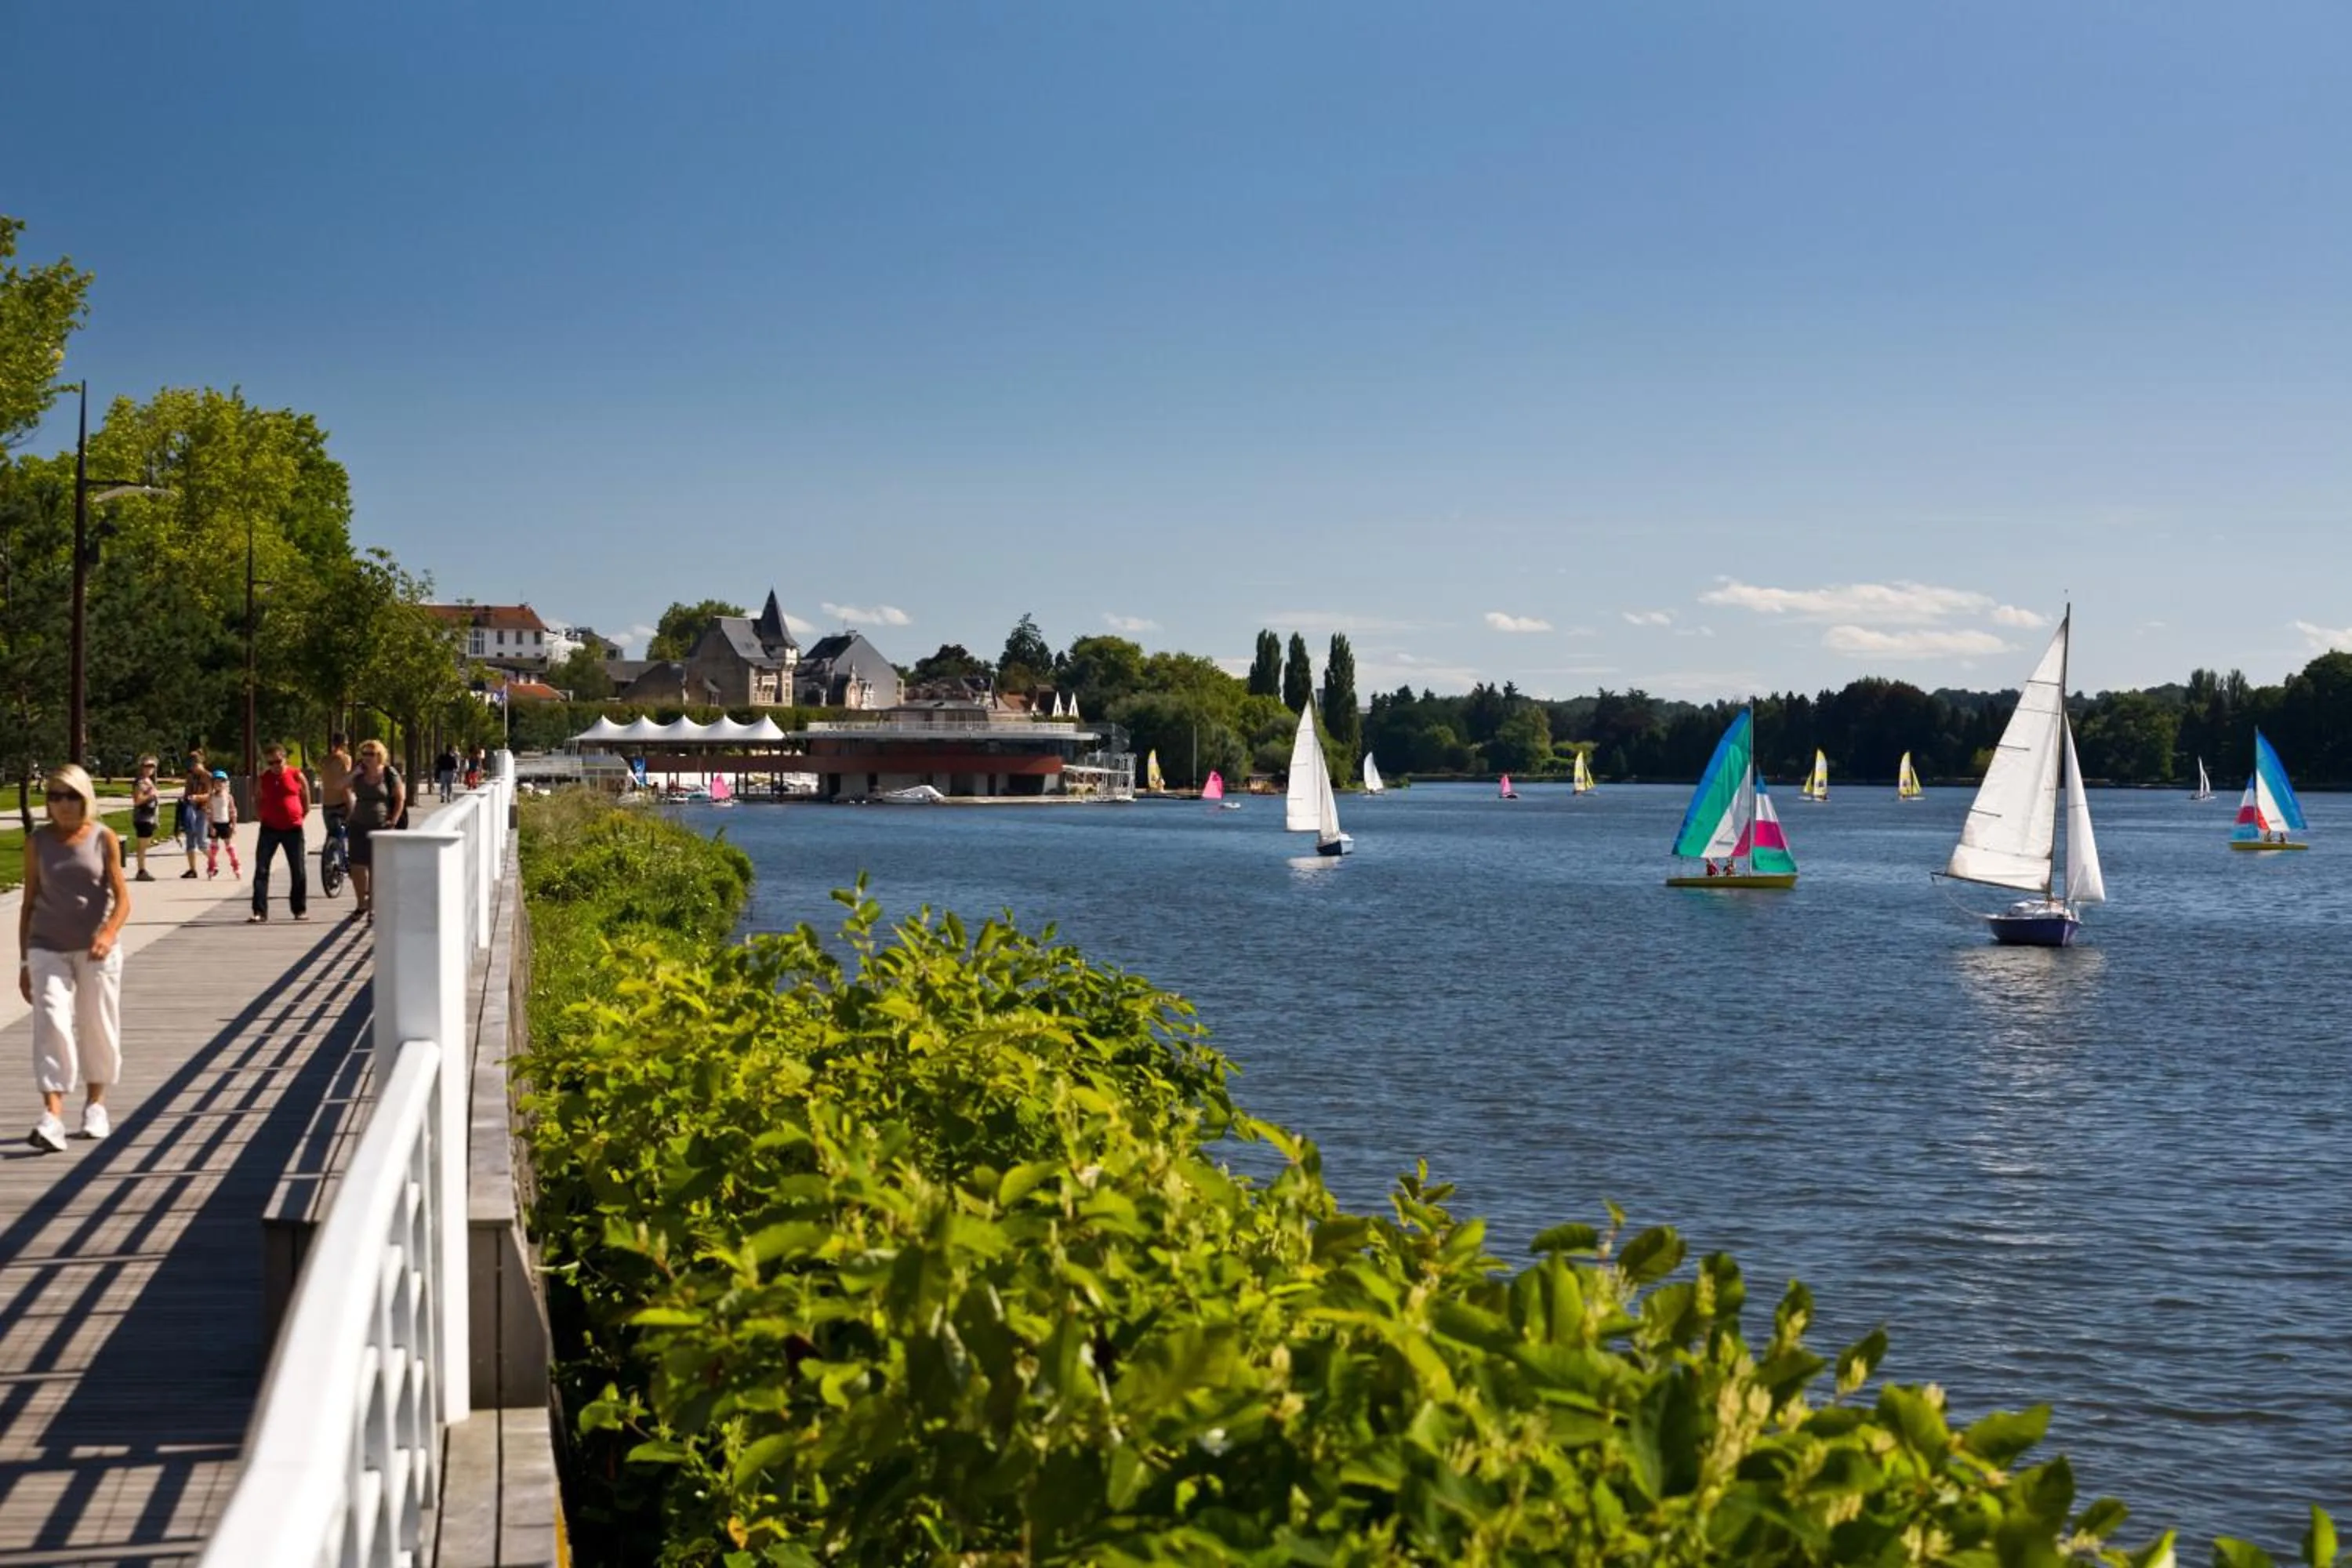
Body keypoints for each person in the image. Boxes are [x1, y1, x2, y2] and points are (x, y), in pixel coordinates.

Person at [18, 765, 131, 1152]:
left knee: (97, 1024)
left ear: (85, 799)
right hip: (46, 946)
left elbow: (122, 897)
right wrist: (23, 963)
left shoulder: (104, 838)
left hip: (97, 949)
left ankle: (95, 1105)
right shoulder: (37, 843)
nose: (62, 804)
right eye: (54, 796)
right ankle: (52, 1116)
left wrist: (109, 932)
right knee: (51, 1021)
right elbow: (29, 900)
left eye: (71, 796)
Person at [343, 739, 406, 923]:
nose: (367, 757)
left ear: (380, 755)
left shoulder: (389, 772)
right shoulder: (359, 774)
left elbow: (400, 798)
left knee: (376, 867)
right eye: (364, 754)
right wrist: (354, 772)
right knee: (357, 866)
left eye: (371, 754)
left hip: (381, 825)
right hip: (358, 824)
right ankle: (360, 904)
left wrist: (393, 820)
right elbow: (340, 786)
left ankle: (373, 907)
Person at [250, 742, 310, 924]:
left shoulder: (296, 774)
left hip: (293, 828)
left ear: (285, 759)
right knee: (262, 869)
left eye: (278, 761)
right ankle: (259, 911)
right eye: (271, 763)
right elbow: (257, 798)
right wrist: (260, 815)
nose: (275, 766)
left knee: (298, 869)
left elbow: (306, 795)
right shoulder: (264, 778)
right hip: (269, 828)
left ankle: (299, 909)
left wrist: (302, 813)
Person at [318, 732, 354, 882]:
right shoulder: (345, 759)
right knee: (352, 832)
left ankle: (330, 866)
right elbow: (345, 783)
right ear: (345, 744)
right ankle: (347, 863)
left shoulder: (324, 760)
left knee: (332, 834)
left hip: (327, 803)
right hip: (341, 802)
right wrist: (350, 805)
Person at [179, 750, 212, 879]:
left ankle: (213, 862)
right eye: (191, 765)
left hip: (203, 810)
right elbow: (186, 792)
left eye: (195, 764)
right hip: (190, 810)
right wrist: (185, 799)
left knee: (202, 841)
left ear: (201, 763)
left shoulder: (208, 776)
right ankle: (192, 869)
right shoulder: (190, 777)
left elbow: (210, 795)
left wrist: (197, 797)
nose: (193, 767)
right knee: (190, 841)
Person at [129, 756, 162, 883]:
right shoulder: (140, 782)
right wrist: (150, 794)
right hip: (143, 818)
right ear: (141, 767)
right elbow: (137, 800)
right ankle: (141, 871)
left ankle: (142, 869)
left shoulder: (149, 781)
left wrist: (156, 820)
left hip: (150, 818)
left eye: (152, 766)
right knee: (142, 846)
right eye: (147, 766)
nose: (150, 769)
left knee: (145, 844)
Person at [205, 768, 241, 878]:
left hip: (225, 824)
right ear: (212, 784)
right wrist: (211, 826)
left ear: (226, 783)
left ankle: (236, 866)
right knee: (213, 848)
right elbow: (209, 813)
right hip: (215, 824)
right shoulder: (211, 797)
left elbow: (233, 811)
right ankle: (212, 866)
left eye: (221, 782)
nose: (218, 784)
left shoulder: (228, 797)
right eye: (216, 782)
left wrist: (233, 825)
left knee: (229, 847)